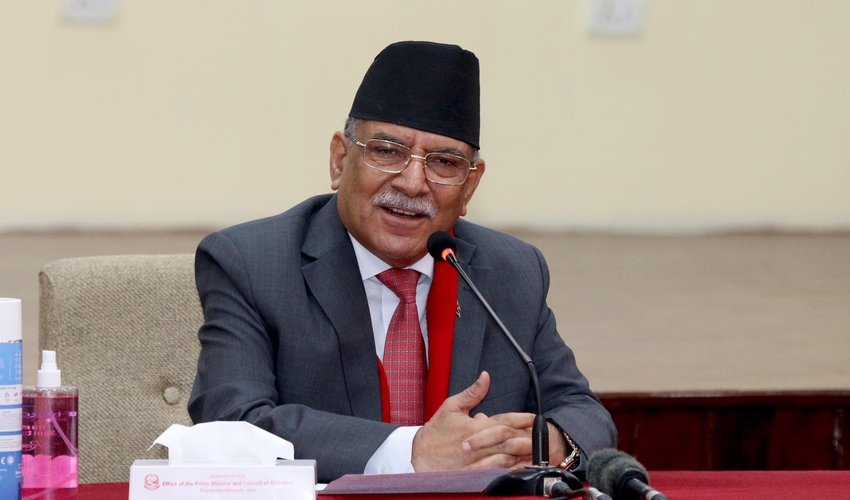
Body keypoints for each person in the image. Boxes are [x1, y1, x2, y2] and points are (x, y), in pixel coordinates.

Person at [188, 40, 616, 483]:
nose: (412, 184)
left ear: (469, 186)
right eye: (387, 152)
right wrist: (412, 452)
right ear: (340, 160)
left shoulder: (511, 269)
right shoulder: (252, 263)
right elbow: (230, 423)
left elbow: (583, 413)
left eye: (443, 162)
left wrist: (550, 442)